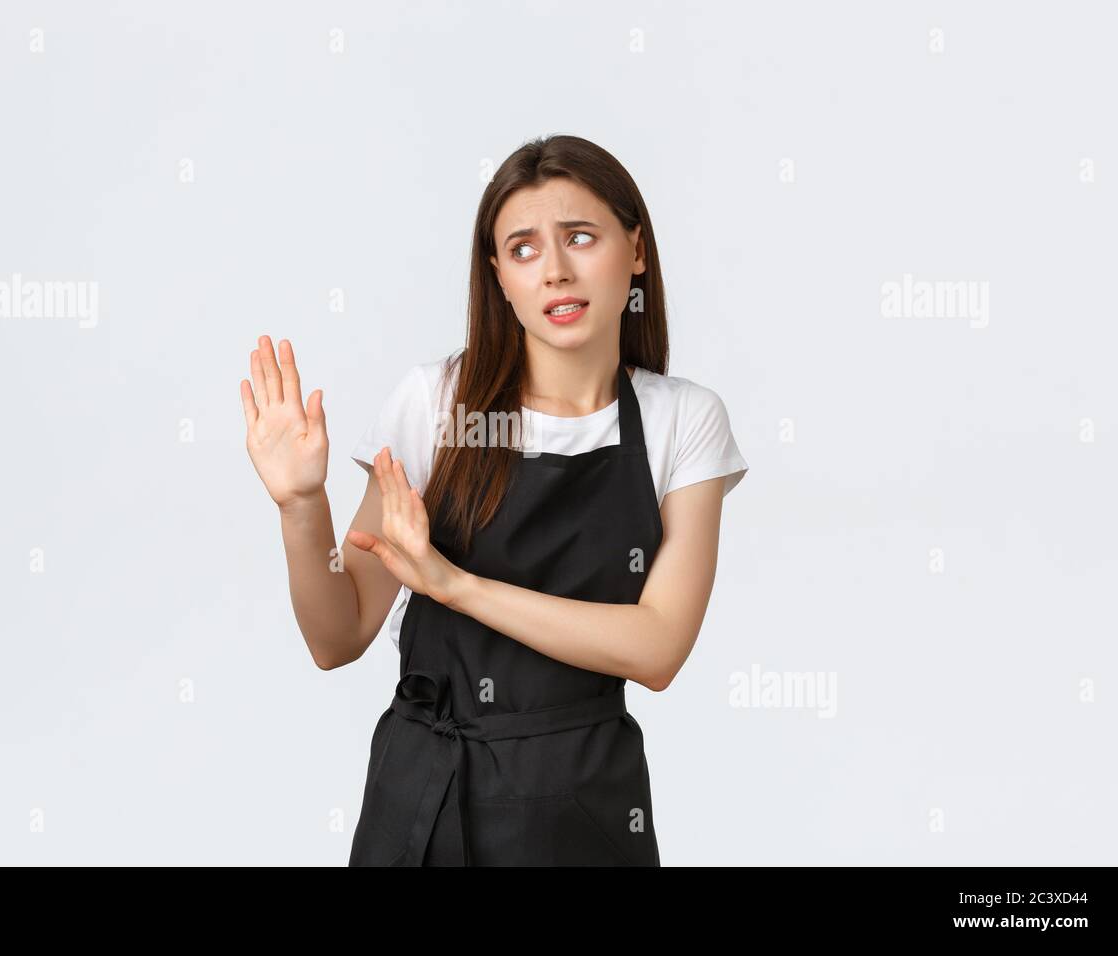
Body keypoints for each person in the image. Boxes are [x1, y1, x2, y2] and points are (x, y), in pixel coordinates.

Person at [239, 134, 748, 866]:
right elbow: (337, 637)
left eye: (580, 237)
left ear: (635, 250)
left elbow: (659, 647)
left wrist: (457, 587)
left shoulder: (683, 418)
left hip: (586, 809)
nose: (557, 272)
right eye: (524, 249)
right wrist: (300, 506)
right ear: (498, 275)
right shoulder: (436, 402)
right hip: (423, 800)